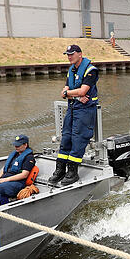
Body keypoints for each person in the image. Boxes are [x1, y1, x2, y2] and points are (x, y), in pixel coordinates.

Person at [48, 45, 99, 186]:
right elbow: (64, 91)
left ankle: (72, 172)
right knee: (66, 138)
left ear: (80, 54)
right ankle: (60, 170)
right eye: (67, 54)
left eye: (72, 54)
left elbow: (83, 91)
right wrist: (71, 94)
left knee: (78, 138)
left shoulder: (90, 70)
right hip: (72, 108)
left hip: (85, 110)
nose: (69, 57)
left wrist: (69, 94)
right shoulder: (71, 70)